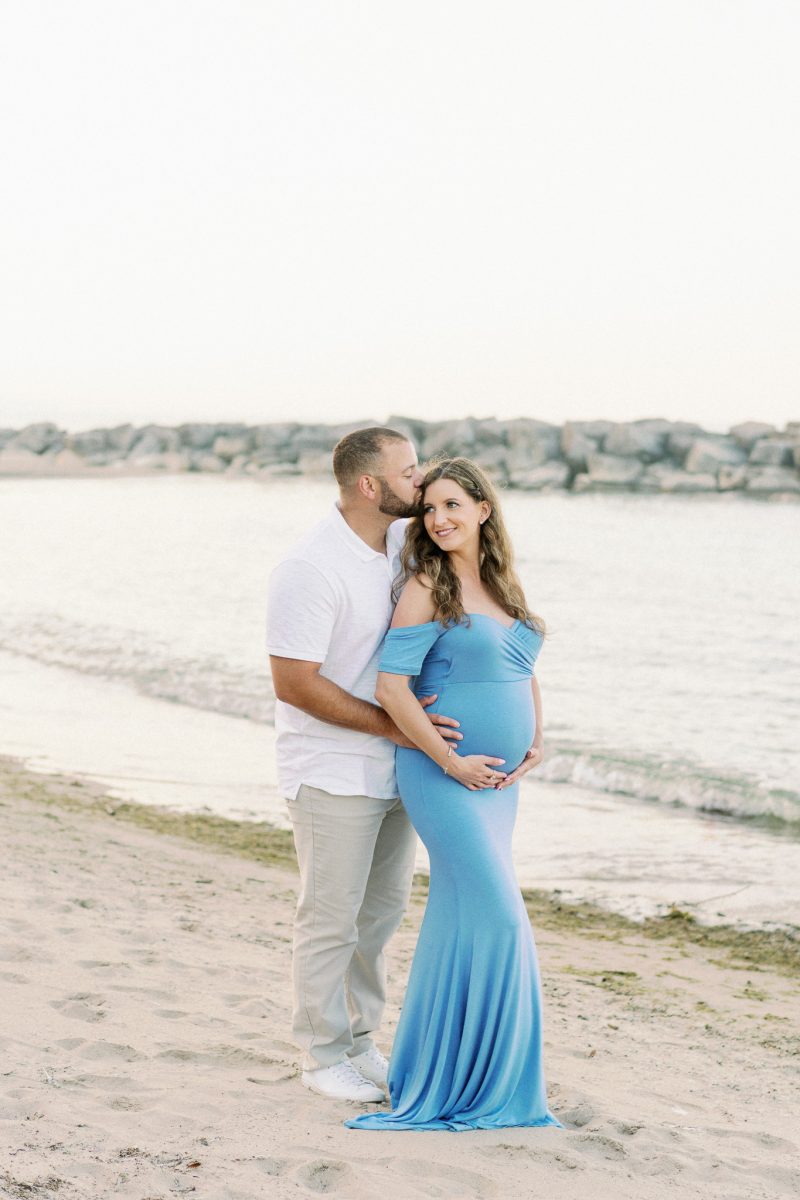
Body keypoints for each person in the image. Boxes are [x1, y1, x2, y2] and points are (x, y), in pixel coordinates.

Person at [267, 429, 500, 1104]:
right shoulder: (310, 568)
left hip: (398, 767)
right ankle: (319, 1054)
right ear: (371, 486)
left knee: (379, 916)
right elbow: (296, 684)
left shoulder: (401, 545)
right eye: (408, 471)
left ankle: (359, 1040)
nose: (421, 481)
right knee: (330, 918)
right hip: (332, 769)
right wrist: (401, 729)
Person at [346, 456, 561, 1132]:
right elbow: (391, 688)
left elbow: (520, 669)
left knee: (462, 918)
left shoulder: (503, 585)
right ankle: (482, 1083)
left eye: (451, 507)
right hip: (445, 778)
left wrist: (537, 736)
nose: (438, 520)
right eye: (430, 508)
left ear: (482, 511)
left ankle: (442, 1070)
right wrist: (448, 759)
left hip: (498, 784)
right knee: (499, 918)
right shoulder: (424, 587)